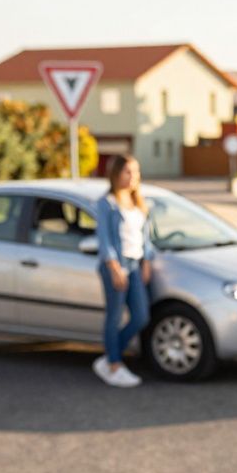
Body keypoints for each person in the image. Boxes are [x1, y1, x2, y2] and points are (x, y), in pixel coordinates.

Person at [92, 155, 154, 388]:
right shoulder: (107, 203)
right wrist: (114, 267)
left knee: (141, 316)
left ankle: (109, 355)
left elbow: (144, 237)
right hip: (116, 267)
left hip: (135, 264)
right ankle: (114, 365)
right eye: (128, 172)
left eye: (136, 172)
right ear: (116, 174)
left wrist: (146, 261)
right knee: (114, 316)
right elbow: (105, 240)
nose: (133, 177)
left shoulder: (138, 202)